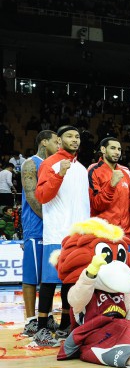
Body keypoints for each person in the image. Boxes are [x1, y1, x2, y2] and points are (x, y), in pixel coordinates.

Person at [35, 125, 91, 346]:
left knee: (71, 281)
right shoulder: (50, 163)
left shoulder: (81, 169)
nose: (75, 140)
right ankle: (41, 328)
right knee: (50, 281)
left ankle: (65, 325)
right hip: (57, 232)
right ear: (59, 140)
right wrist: (59, 174)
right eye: (69, 136)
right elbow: (42, 196)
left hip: (78, 234)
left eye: (77, 136)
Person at [19, 130, 60, 337]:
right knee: (31, 276)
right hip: (36, 226)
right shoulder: (30, 163)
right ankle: (29, 320)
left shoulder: (54, 165)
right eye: (56, 142)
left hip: (51, 228)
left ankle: (47, 315)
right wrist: (50, 220)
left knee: (48, 277)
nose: (59, 145)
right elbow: (32, 197)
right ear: (44, 142)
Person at [87, 137, 130, 239]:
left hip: (125, 234)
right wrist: (111, 185)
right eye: (113, 148)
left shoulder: (125, 173)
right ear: (103, 149)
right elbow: (96, 204)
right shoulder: (93, 171)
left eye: (119, 149)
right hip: (103, 233)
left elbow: (129, 206)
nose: (117, 152)